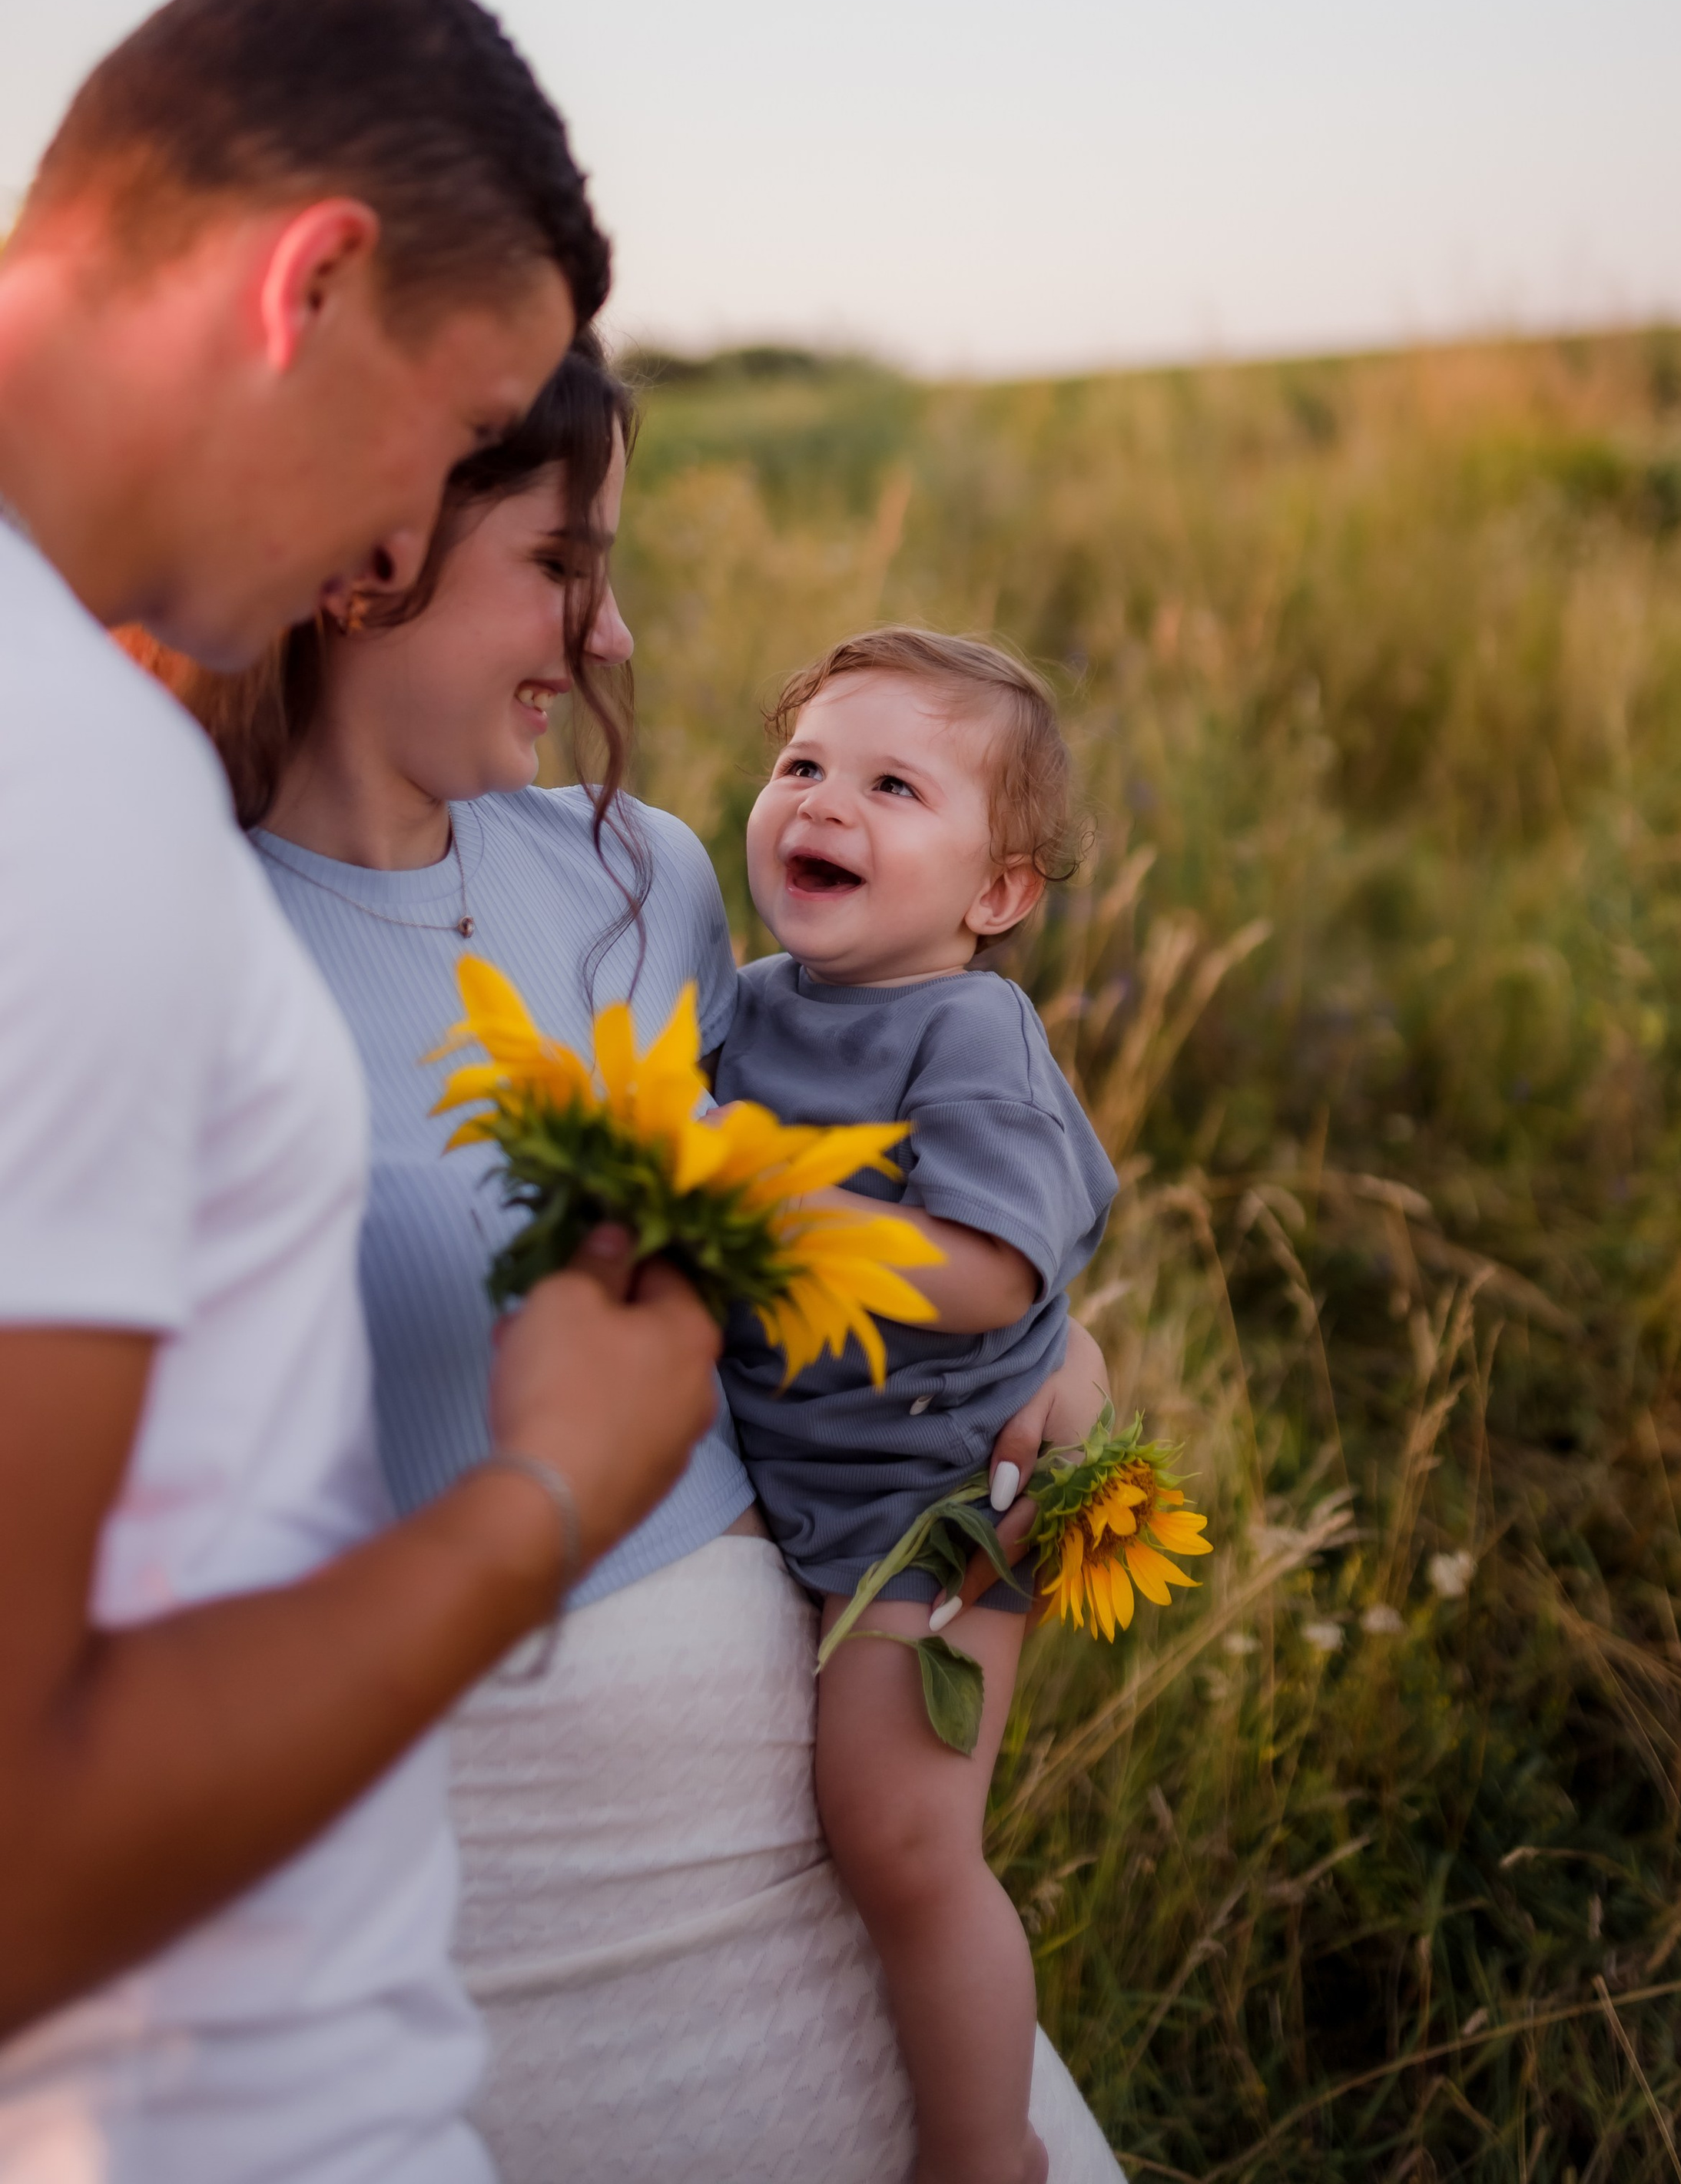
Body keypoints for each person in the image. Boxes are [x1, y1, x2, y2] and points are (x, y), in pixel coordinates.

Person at [168, 341, 1126, 2183]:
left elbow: (844, 1235)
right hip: (473, 1889)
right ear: (361, 553)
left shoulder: (644, 877)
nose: (611, 645)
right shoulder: (151, 939)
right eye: (562, 567)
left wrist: (1043, 1375)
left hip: (809, 1775)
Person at [0, 0, 721, 2184]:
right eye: (444, 429)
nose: (403, 539)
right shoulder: (75, 802)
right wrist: (541, 1506)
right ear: (306, 284)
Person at [718, 631, 1114, 2184]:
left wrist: (768, 1211)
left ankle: (980, 2152)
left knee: (896, 1834)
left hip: (944, 1508)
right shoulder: (746, 1004)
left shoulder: (966, 1032)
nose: (825, 803)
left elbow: (991, 1274)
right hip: (810, 1479)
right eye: (803, 765)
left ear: (993, 895)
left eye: (893, 784)